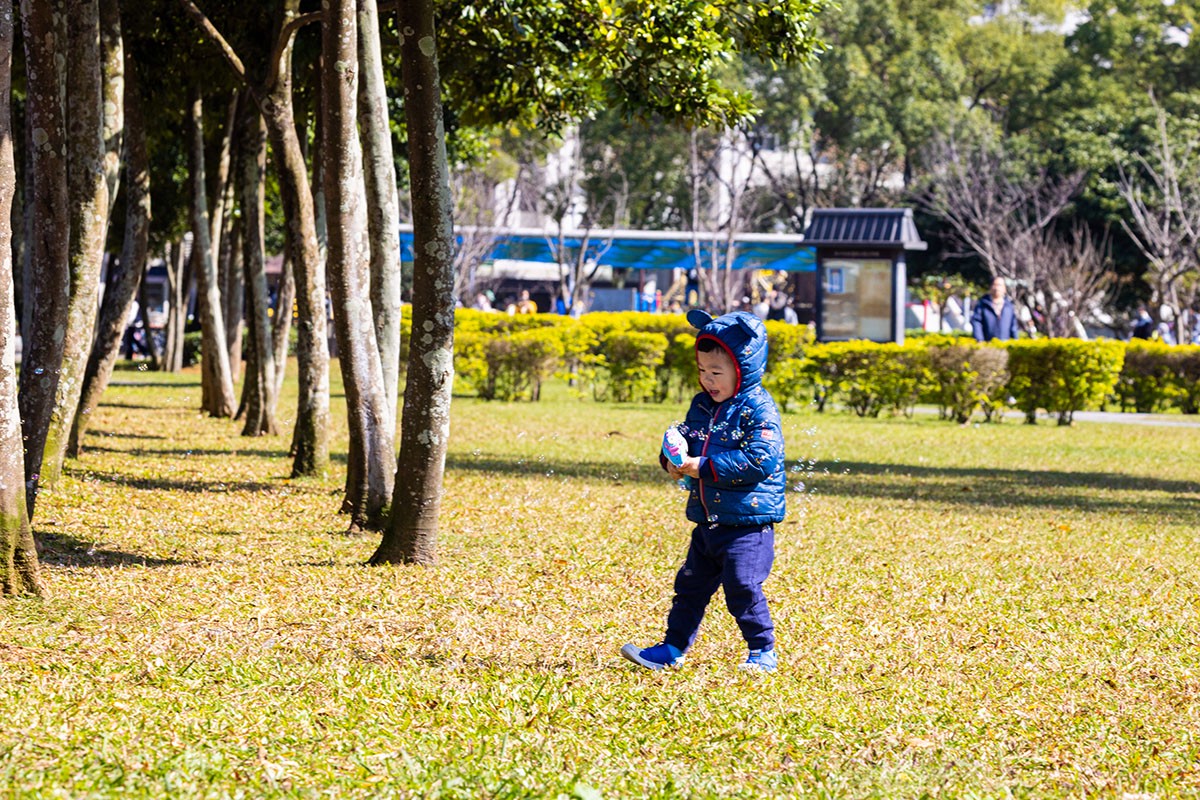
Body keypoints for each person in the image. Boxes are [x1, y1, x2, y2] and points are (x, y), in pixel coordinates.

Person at [621, 309, 786, 673]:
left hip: (747, 524)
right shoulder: (702, 405)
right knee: (690, 587)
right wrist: (672, 459)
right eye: (701, 370)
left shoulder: (758, 408)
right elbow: (689, 440)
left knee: (742, 586)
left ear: (743, 369)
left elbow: (760, 459)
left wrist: (704, 467)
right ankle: (672, 648)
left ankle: (762, 650)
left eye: (716, 372)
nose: (707, 380)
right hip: (709, 520)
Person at [971, 276, 1019, 341]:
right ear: (990, 287)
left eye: (1000, 285)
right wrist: (979, 340)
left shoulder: (1009, 306)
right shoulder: (982, 304)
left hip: (1005, 344)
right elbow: (976, 323)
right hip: (987, 344)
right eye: (994, 285)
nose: (997, 288)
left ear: (1004, 288)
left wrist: (1015, 340)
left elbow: (1013, 326)